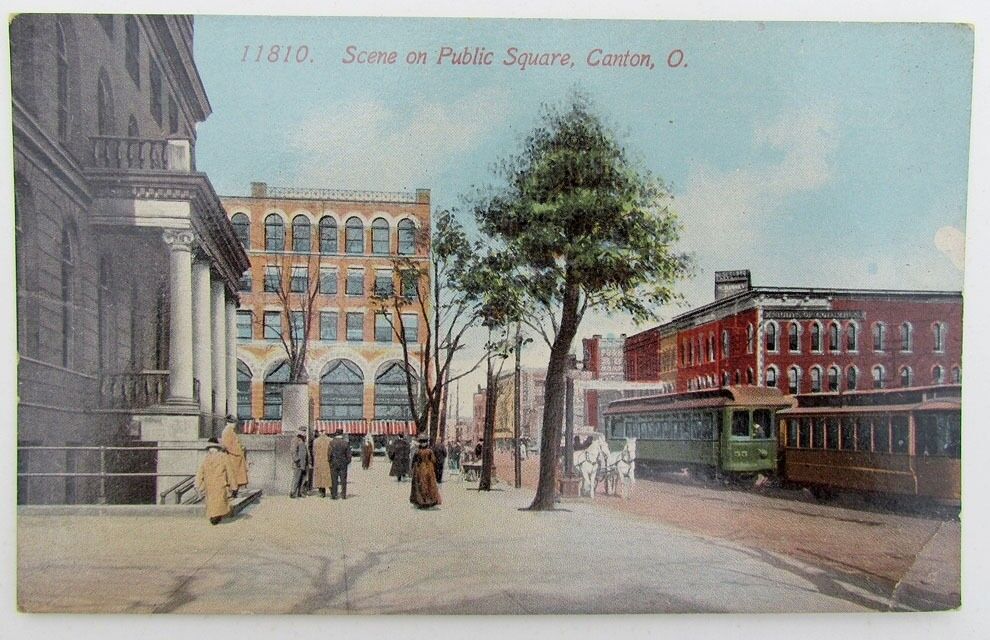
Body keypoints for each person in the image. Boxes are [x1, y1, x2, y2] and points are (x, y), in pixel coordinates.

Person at [196, 438, 233, 525]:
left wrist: (198, 483)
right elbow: (230, 472)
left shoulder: (206, 458)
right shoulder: (224, 457)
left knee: (212, 502)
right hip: (220, 483)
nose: (211, 450)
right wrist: (233, 486)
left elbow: (200, 471)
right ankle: (216, 516)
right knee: (219, 501)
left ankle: (213, 517)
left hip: (209, 484)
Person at [410, 436, 442, 509]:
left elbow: (414, 461)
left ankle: (421, 500)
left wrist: (413, 468)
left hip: (420, 469)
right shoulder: (430, 451)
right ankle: (430, 500)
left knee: (420, 485)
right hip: (429, 469)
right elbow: (434, 460)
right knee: (430, 484)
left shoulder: (418, 451)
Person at [220, 420, 248, 498]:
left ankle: (234, 491)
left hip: (235, 456)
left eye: (234, 423)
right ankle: (232, 492)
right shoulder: (227, 431)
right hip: (233, 456)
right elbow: (227, 445)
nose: (234, 425)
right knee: (232, 475)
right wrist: (238, 451)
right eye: (232, 423)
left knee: (235, 475)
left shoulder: (230, 431)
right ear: (228, 423)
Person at [329, 428, 351, 499]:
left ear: (336, 434)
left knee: (334, 479)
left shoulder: (332, 443)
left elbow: (329, 454)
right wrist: (347, 462)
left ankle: (334, 495)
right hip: (343, 464)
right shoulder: (345, 443)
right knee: (343, 480)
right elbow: (349, 455)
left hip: (334, 463)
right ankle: (343, 495)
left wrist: (330, 461)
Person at [290, 428, 310, 498]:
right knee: (296, 478)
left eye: (305, 431)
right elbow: (293, 451)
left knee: (303, 479)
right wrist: (296, 460)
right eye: (303, 431)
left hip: (304, 463)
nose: (304, 433)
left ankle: (300, 492)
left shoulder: (303, 440)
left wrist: (309, 461)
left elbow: (307, 452)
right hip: (298, 463)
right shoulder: (295, 440)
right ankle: (293, 492)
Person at [312, 430, 332, 497]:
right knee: (329, 478)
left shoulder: (315, 441)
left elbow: (313, 452)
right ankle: (332, 492)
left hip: (318, 461)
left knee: (320, 478)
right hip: (327, 461)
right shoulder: (330, 440)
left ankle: (322, 493)